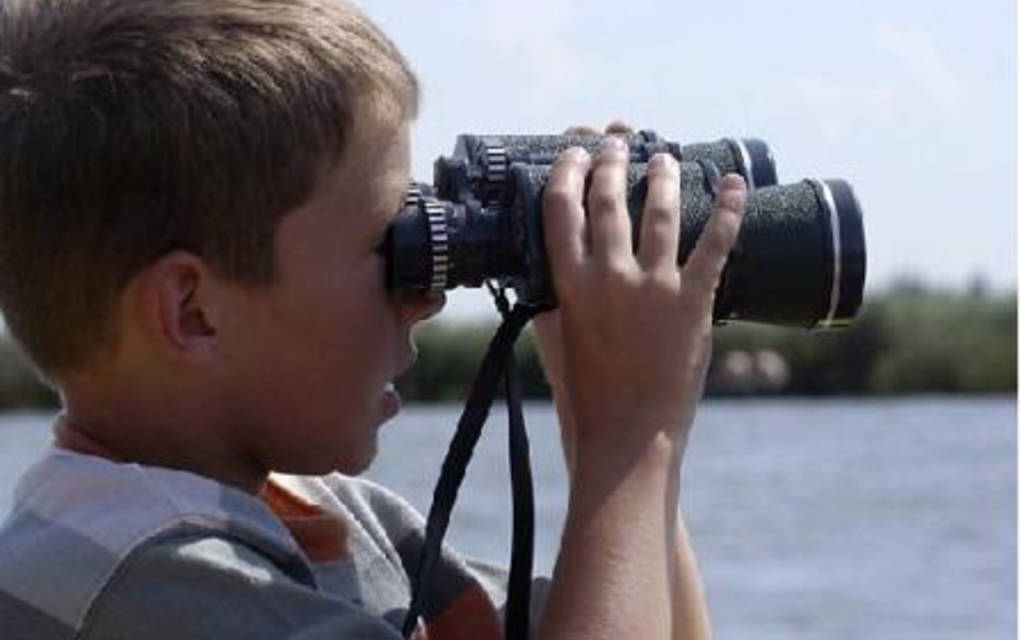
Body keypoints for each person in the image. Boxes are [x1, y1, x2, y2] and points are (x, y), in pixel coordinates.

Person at [0, 1, 746, 638]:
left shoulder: (327, 518)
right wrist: (634, 438)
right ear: (194, 312)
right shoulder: (139, 581)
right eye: (390, 245)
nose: (427, 294)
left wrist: (602, 419)